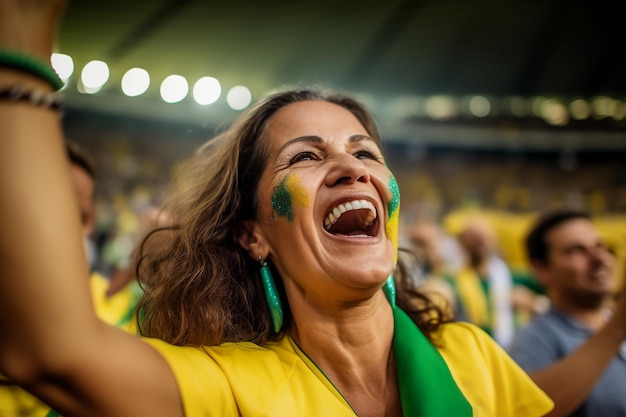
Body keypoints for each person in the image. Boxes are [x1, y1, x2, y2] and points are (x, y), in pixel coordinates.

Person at [0, 1, 554, 416]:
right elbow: (52, 352)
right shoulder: (227, 388)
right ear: (252, 234)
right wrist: (22, 35)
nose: (352, 167)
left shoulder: (474, 357)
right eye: (305, 156)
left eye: (365, 151)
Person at [0, 141, 142, 417]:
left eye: (78, 215)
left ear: (89, 223)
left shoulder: (120, 308)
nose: (59, 227)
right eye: (45, 207)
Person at [508, 209, 626, 417]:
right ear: (541, 269)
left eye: (600, 246)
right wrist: (617, 329)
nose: (599, 258)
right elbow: (525, 410)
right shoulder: (534, 339)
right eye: (576, 250)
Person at [445, 217, 518, 348]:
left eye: (486, 238)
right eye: (476, 239)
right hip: (471, 346)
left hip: (506, 347)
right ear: (463, 242)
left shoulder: (504, 274)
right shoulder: (453, 277)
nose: (482, 243)